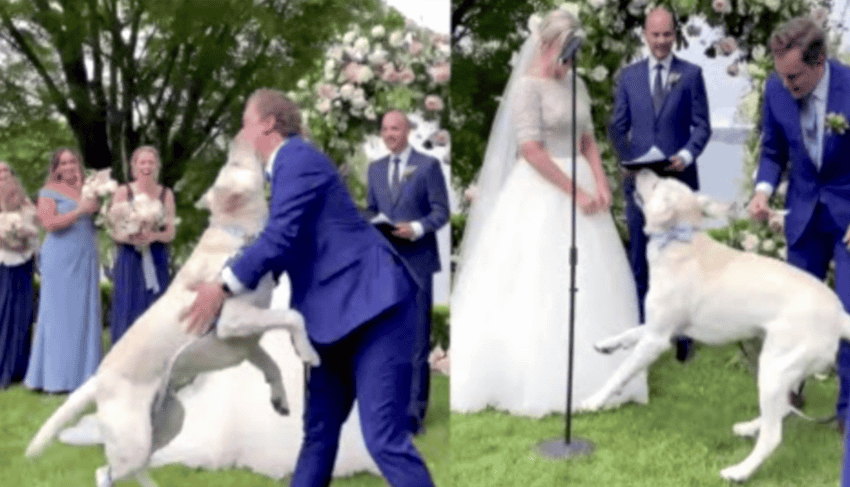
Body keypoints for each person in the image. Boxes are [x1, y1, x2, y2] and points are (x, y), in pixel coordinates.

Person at [184, 89, 435, 487]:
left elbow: (280, 237)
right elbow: (281, 248)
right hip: (328, 319)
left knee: (383, 438)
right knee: (318, 433)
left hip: (375, 308)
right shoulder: (284, 171)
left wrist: (222, 287)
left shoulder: (296, 158)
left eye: (246, 122)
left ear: (268, 123)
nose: (242, 133)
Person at [450, 9, 648, 417]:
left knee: (593, 279)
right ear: (545, 44)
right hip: (543, 187)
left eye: (574, 54)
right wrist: (576, 192)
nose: (569, 62)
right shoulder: (527, 88)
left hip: (583, 184)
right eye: (564, 52)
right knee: (539, 279)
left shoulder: (576, 83)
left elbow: (587, 140)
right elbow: (531, 151)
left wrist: (601, 182)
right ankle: (534, 376)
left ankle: (600, 372)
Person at [747, 17, 850, 435]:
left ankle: (847, 409)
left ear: (819, 61)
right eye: (781, 75)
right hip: (803, 216)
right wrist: (763, 191)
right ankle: (787, 393)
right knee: (793, 314)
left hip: (847, 217)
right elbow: (773, 150)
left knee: (846, 313)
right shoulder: (776, 89)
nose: (786, 84)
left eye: (794, 77)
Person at [608, 6, 711, 361]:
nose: (662, 41)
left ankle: (684, 337)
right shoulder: (629, 77)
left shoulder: (692, 74)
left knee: (682, 260)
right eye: (656, 35)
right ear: (645, 35)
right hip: (640, 184)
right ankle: (645, 335)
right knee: (641, 259)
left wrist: (687, 154)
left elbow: (702, 126)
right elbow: (617, 127)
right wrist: (627, 160)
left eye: (667, 34)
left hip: (679, 181)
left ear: (675, 35)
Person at [366, 110, 449, 434]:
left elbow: (441, 211)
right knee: (386, 340)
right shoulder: (374, 169)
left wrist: (416, 228)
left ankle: (415, 415)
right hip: (384, 266)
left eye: (395, 128)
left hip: (417, 264)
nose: (389, 134)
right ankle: (390, 408)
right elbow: (372, 211)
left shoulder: (428, 166)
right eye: (385, 129)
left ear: (408, 131)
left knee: (416, 341)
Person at [24, 148, 101, 393]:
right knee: (59, 316)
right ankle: (56, 378)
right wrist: (79, 210)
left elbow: (99, 220)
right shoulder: (48, 191)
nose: (69, 166)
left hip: (86, 254)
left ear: (79, 163)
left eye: (72, 161)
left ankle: (85, 375)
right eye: (63, 163)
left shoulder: (89, 189)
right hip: (60, 258)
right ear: (56, 168)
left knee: (84, 315)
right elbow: (49, 224)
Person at [109, 146, 175, 344]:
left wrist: (153, 236)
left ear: (157, 166)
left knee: (154, 308)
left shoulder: (166, 194)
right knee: (128, 306)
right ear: (134, 166)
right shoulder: (124, 191)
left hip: (156, 257)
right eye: (142, 162)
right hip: (130, 258)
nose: (146, 166)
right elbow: (115, 232)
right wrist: (132, 237)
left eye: (151, 162)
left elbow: (170, 233)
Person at [0, 162, 36, 388]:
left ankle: (20, 368)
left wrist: (24, 237)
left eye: (6, 172)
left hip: (24, 262)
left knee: (22, 313)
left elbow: (34, 224)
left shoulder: (23, 200)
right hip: (3, 263)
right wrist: (7, 241)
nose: (3, 176)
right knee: (3, 313)